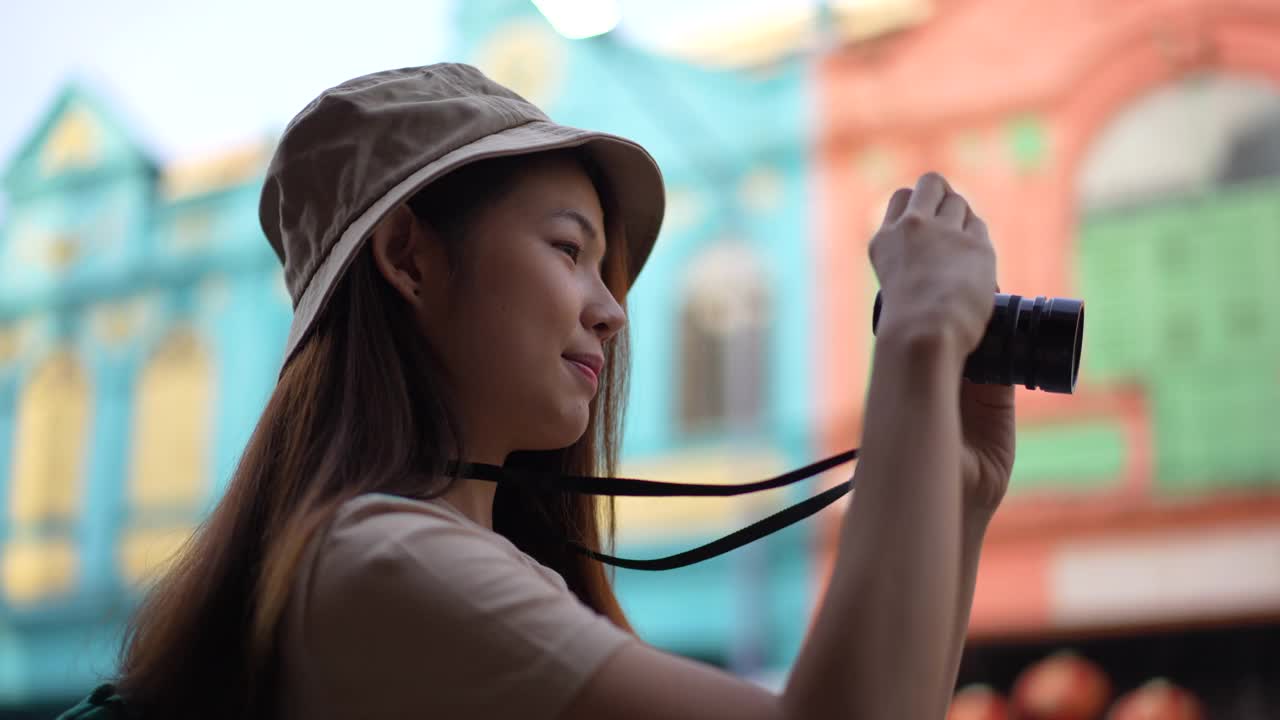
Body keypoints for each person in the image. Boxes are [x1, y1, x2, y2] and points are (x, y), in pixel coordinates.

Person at [74, 63, 1014, 719]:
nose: (611, 310)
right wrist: (920, 340)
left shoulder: (433, 561)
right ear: (409, 257)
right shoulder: (386, 563)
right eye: (569, 250)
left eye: (606, 270)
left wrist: (959, 487)